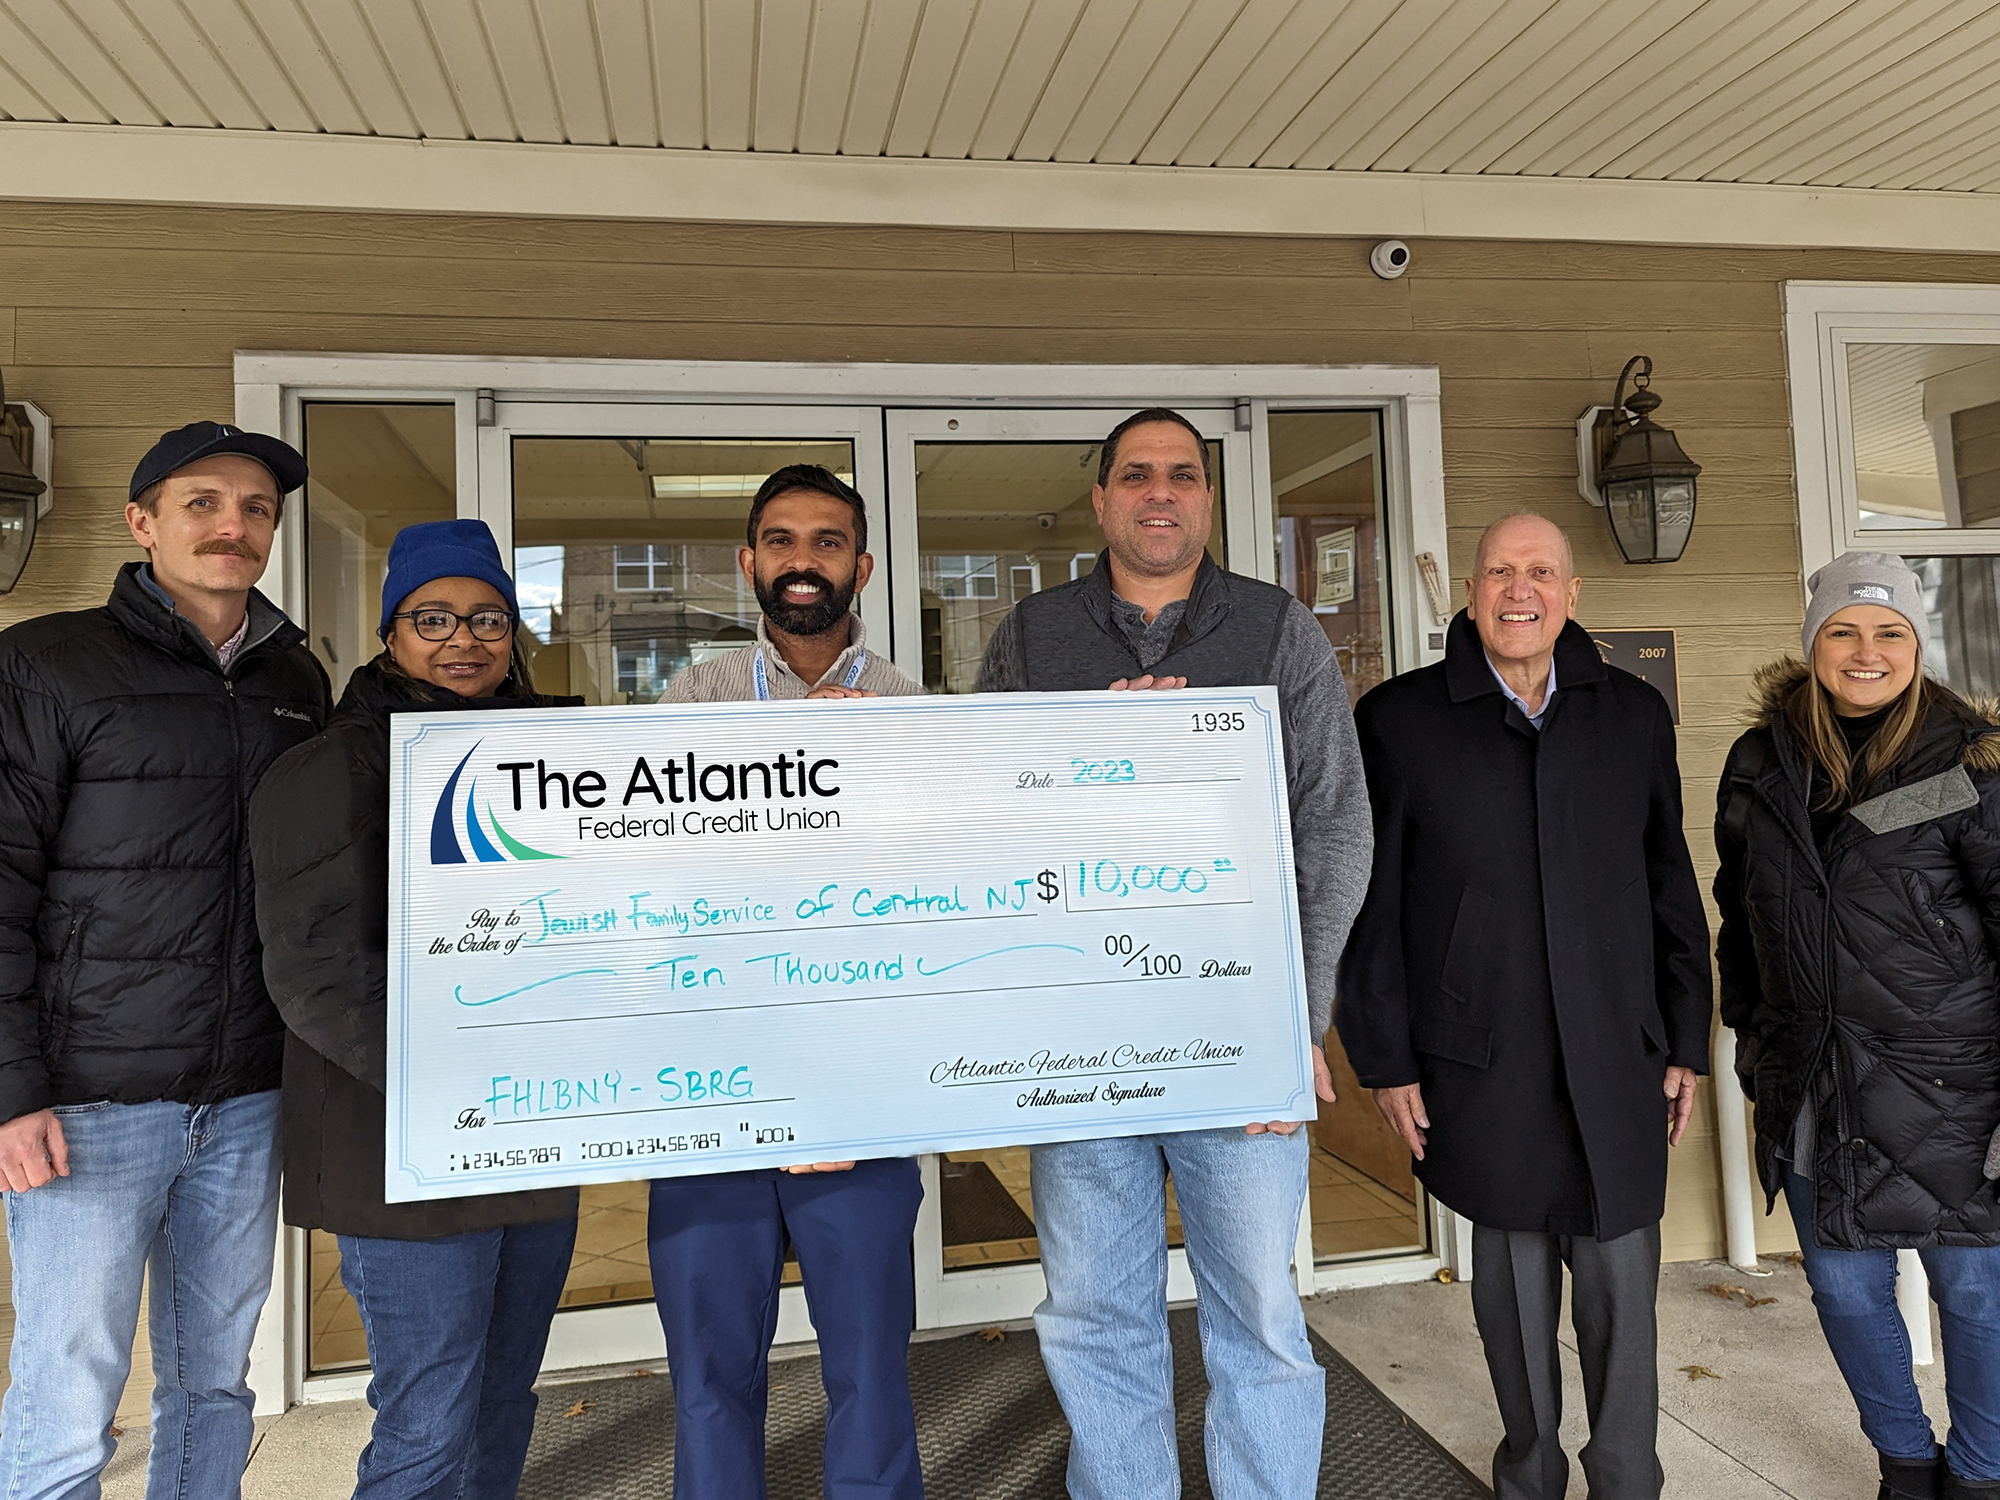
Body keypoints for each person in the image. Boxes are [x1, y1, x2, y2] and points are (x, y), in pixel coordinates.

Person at [972, 408, 1373, 1500]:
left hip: (1232, 1038)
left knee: (1257, 1314)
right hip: (1080, 1041)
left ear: (1207, 499)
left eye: (1182, 475)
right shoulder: (1030, 636)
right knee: (1097, 1316)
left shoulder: (1279, 628)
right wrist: (1090, 762)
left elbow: (1333, 821)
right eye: (1135, 475)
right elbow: (981, 821)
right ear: (1099, 499)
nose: (1160, 493)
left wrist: (1298, 1018)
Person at [1335, 512, 1712, 1500]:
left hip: (1616, 1048)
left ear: (1570, 592)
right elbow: (1367, 908)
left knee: (1619, 1285)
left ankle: (1626, 1478)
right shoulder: (1400, 719)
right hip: (1475, 1054)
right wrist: (1384, 1056)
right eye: (1499, 571)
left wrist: (1683, 1038)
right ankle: (1528, 1473)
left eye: (1539, 571)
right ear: (1470, 589)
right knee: (1507, 1288)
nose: (1518, 590)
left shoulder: (1630, 714)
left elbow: (1668, 882)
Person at [0, 422, 328, 1499]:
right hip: (90, 1106)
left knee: (214, 1380)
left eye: (256, 510)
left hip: (245, 1095)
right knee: (67, 1382)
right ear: (143, 522)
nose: (233, 527)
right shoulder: (47, 665)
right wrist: (12, 1095)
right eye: (203, 503)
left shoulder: (295, 677)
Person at [249, 520, 579, 1499]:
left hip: (533, 1138)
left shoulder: (558, 765)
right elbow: (315, 972)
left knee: (504, 1395)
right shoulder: (333, 767)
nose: (463, 639)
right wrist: (456, 1077)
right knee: (430, 1412)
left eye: (487, 617)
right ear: (390, 630)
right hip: (402, 1143)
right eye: (432, 616)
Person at [649, 465, 926, 1500]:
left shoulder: (909, 708)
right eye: (779, 541)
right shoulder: (691, 698)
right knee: (710, 1372)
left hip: (859, 1092)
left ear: (860, 564)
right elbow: (661, 879)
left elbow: (941, 893)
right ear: (747, 563)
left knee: (868, 1365)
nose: (800, 561)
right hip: (712, 1089)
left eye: (823, 542)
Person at [1715, 551, 2000, 1500]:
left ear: (1917, 646)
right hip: (1814, 1081)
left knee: (1973, 1294)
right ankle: (1906, 1466)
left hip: (1952, 1085)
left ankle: (1981, 1472)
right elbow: (1740, 918)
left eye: (1889, 633)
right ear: (1813, 643)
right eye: (1843, 630)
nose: (1865, 651)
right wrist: (1755, 1042)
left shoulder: (1971, 761)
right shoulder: (1762, 762)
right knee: (1843, 1288)